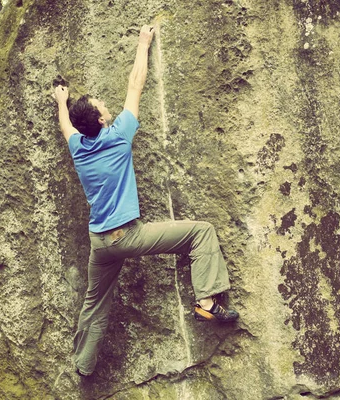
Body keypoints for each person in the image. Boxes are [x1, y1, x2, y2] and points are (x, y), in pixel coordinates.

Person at [54, 25, 238, 377]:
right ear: (102, 119)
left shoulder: (78, 149)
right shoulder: (120, 135)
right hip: (129, 237)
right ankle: (208, 303)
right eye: (101, 106)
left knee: (95, 302)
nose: (106, 105)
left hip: (100, 244)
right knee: (202, 232)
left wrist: (62, 101)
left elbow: (66, 126)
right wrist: (143, 43)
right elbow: (135, 85)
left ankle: (83, 364)